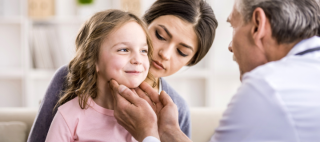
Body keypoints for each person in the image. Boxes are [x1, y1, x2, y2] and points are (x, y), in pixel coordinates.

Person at [109, 0, 320, 142]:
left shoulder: (266, 87)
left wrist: (149, 135)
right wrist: (168, 132)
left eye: (234, 27)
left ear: (257, 25)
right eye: (161, 35)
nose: (230, 45)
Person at [27, 0, 218, 141]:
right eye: (160, 35)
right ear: (144, 25)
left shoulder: (176, 109)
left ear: (191, 61)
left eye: (181, 52)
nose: (165, 54)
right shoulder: (68, 77)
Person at [44, 9, 155, 141]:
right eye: (124, 50)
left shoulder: (151, 116)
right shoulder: (69, 115)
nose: (138, 59)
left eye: (143, 50)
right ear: (93, 59)